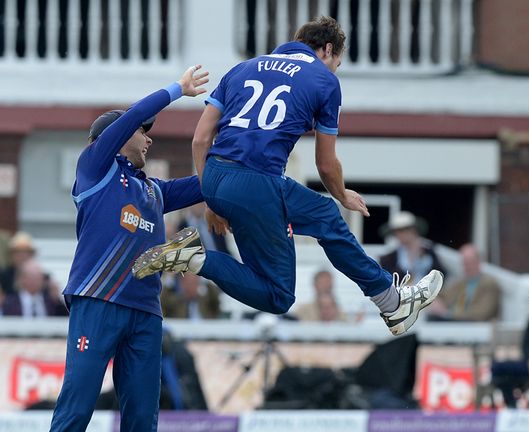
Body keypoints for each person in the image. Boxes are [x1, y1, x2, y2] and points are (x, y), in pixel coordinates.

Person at [132, 16, 443, 336]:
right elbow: (326, 164)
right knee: (324, 216)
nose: (335, 70)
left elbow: (200, 139)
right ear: (327, 50)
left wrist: (211, 197)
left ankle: (194, 259)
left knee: (279, 293)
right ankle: (391, 302)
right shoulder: (324, 80)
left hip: (216, 177)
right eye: (337, 63)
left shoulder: (241, 68)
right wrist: (342, 194)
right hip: (258, 181)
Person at [49, 65, 212, 432]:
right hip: (98, 301)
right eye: (142, 132)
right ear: (117, 136)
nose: (148, 140)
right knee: (77, 408)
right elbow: (134, 115)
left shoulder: (153, 190)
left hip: (146, 312)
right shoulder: (95, 169)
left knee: (142, 419)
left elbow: (208, 182)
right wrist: (177, 89)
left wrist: (250, 149)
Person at [429, 243, 501, 321]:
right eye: (465, 263)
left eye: (470, 262)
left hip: (475, 326)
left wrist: (449, 314)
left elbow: (481, 314)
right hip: (453, 324)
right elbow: (442, 296)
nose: (467, 266)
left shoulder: (489, 284)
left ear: (478, 262)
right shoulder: (460, 283)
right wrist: (436, 302)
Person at [378, 211, 447, 282]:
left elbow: (444, 272)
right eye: (397, 231)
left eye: (405, 230)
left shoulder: (431, 250)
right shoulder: (389, 257)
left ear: (414, 230)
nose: (401, 234)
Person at [2, 260, 68, 317]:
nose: (35, 281)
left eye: (38, 278)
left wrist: (57, 301)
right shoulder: (9, 302)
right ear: (22, 279)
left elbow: (64, 318)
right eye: (31, 277)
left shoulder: (51, 301)